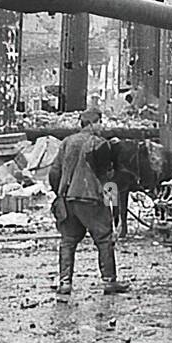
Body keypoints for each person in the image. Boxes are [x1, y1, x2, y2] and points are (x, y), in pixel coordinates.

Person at [48, 110, 129, 295]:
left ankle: (65, 283)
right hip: (91, 199)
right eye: (100, 123)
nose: (102, 127)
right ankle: (109, 281)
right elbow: (109, 178)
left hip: (67, 199)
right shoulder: (101, 144)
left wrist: (60, 193)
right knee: (104, 239)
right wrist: (112, 208)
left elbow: (54, 172)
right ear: (93, 124)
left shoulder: (66, 142)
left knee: (68, 241)